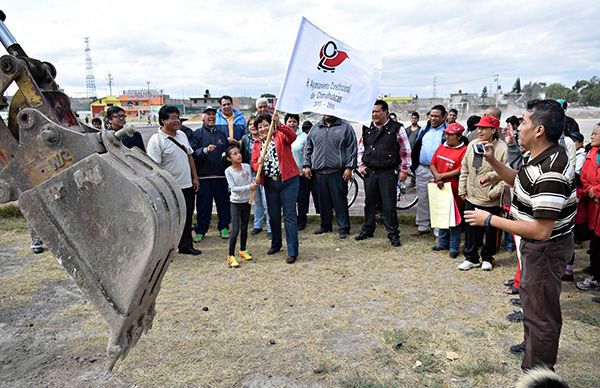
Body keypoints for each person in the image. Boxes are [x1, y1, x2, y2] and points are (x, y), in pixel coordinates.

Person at [464, 99, 576, 371]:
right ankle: (533, 347)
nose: (515, 128)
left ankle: (537, 372)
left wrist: (490, 219)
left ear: (538, 130)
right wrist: (493, 165)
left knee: (542, 314)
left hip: (545, 248)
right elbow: (522, 180)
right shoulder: (540, 156)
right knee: (533, 305)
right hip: (537, 247)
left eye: (523, 122)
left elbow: (541, 229)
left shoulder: (552, 169)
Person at [146, 105, 201, 255]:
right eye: (173, 118)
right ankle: (167, 248)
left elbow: (189, 156)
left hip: (187, 185)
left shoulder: (182, 135)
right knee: (171, 218)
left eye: (178, 117)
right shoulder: (156, 141)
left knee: (187, 215)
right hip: (170, 188)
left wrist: (195, 177)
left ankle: (186, 246)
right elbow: (154, 168)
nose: (177, 120)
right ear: (163, 120)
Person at [355, 100, 410, 246]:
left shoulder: (397, 128)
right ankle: (368, 229)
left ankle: (393, 234)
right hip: (370, 172)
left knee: (389, 204)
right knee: (369, 203)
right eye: (372, 112)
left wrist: (404, 169)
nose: (374, 114)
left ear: (386, 112)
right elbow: (361, 148)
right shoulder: (367, 127)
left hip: (388, 172)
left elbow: (405, 151)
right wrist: (360, 165)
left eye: (377, 111)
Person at [457, 115, 507, 271]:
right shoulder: (472, 144)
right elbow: (465, 168)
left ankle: (488, 257)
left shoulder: (502, 148)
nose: (480, 130)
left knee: (491, 229)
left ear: (493, 130)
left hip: (489, 198)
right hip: (471, 195)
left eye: (484, 128)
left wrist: (494, 193)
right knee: (471, 228)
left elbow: (506, 175)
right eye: (479, 127)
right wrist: (462, 188)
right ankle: (471, 257)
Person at [252, 112, 300, 264]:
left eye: (266, 125)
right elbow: (254, 163)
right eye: (260, 127)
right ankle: (276, 244)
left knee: (290, 216)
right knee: (273, 216)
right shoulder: (257, 144)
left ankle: (292, 251)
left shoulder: (280, 135)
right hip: (270, 184)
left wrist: (279, 124)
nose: (263, 129)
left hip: (288, 181)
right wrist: (257, 162)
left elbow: (292, 136)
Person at [303, 115, 357, 238]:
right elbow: (308, 148)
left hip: (337, 172)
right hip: (319, 173)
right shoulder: (315, 128)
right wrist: (306, 165)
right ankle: (325, 225)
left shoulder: (345, 127)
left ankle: (343, 227)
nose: (328, 113)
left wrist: (349, 167)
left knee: (339, 201)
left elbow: (351, 148)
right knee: (323, 202)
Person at [190, 106, 231, 242]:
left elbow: (227, 153)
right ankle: (201, 230)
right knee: (203, 206)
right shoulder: (197, 134)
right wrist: (205, 150)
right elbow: (193, 154)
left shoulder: (221, 134)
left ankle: (224, 227)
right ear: (203, 117)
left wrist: (226, 157)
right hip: (204, 177)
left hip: (220, 177)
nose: (211, 116)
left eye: (213, 114)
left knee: (223, 204)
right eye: (208, 114)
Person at [430, 122, 468, 258]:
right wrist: (438, 177)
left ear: (458, 136)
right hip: (440, 187)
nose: (447, 136)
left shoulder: (464, 151)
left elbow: (461, 169)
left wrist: (442, 176)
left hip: (454, 189)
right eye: (446, 133)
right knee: (442, 216)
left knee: (455, 219)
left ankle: (453, 247)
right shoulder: (442, 147)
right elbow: (433, 163)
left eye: (450, 134)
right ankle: (442, 243)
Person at [410, 105, 448, 235]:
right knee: (422, 199)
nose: (433, 118)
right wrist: (415, 167)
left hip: (438, 172)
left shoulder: (447, 132)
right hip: (422, 169)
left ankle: (438, 231)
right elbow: (416, 148)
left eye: (436, 116)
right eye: (431, 115)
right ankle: (422, 226)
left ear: (444, 117)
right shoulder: (425, 130)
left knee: (438, 200)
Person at [576, 123, 600, 291]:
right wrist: (589, 191)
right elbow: (584, 177)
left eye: (595, 133)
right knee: (595, 241)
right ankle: (595, 271)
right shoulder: (591, 153)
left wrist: (596, 190)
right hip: (592, 205)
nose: (591, 136)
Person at [224, 145, 256, 268]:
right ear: (229, 158)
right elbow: (233, 189)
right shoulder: (228, 171)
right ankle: (230, 256)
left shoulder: (247, 166)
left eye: (239, 152)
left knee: (244, 227)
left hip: (247, 202)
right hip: (235, 203)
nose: (238, 155)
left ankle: (243, 250)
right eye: (234, 154)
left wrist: (254, 182)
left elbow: (251, 179)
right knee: (235, 229)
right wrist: (249, 187)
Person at [241, 116, 271, 236]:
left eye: (255, 124)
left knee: (267, 201)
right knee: (256, 200)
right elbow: (242, 156)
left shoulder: (266, 138)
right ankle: (257, 225)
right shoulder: (245, 139)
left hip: (264, 174)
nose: (253, 127)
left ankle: (270, 227)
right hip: (251, 174)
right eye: (250, 124)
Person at [289, 115, 315, 231]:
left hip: (301, 173)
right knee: (289, 199)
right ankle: (291, 220)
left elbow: (309, 153)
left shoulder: (304, 137)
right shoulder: (281, 136)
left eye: (294, 121)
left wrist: (306, 166)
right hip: (287, 174)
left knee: (302, 199)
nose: (291, 124)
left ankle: (302, 221)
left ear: (298, 123)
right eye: (289, 121)